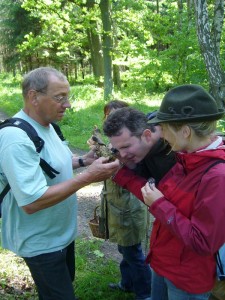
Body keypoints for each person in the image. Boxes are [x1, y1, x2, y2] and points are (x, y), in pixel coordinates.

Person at [0, 66, 120, 300]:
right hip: (41, 242)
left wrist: (84, 160)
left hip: (61, 234)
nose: (68, 104)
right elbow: (31, 202)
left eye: (67, 96)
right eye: (59, 97)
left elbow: (48, 165)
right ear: (33, 96)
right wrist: (88, 177)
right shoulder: (15, 138)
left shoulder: (47, 126)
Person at [108, 84, 225, 300]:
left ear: (186, 131)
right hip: (163, 262)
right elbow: (158, 196)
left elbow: (203, 242)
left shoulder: (217, 176)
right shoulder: (185, 158)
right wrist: (122, 174)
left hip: (187, 276)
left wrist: (159, 203)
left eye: (164, 128)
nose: (159, 134)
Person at [100, 100, 152, 300]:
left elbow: (132, 174)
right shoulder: (111, 143)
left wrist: (111, 158)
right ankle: (127, 283)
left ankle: (145, 294)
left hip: (129, 207)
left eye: (116, 114)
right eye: (108, 115)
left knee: (133, 252)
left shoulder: (134, 150)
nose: (112, 118)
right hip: (115, 205)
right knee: (124, 248)